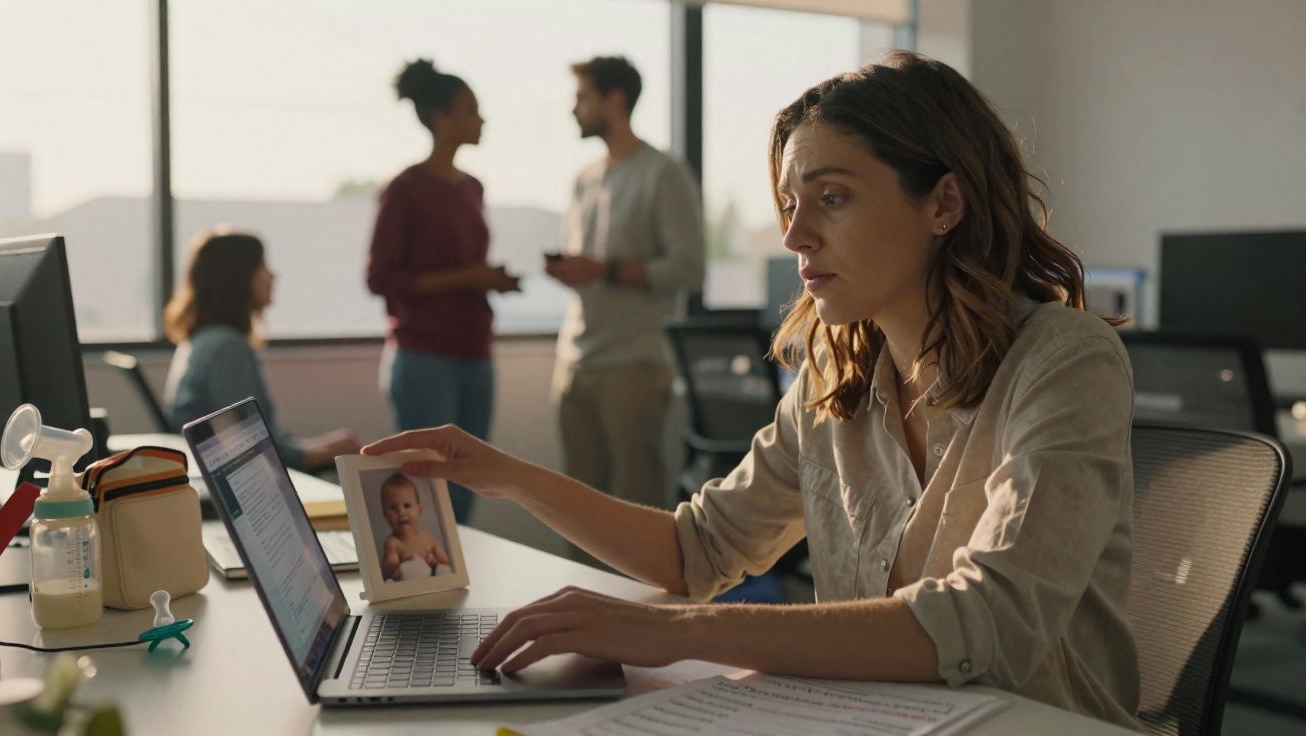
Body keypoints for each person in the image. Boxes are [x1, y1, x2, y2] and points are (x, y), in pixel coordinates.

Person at [362, 52, 1141, 729]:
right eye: (791, 205)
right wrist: (503, 474)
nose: (796, 235)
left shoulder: (1065, 360)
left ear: (943, 203)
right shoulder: (833, 382)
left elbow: (990, 623)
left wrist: (676, 632)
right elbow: (697, 550)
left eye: (831, 197)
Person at [545, 55, 705, 511]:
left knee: (638, 505)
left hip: (634, 365)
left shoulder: (664, 173)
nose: (574, 109)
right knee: (574, 509)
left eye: (582, 98)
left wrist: (602, 269)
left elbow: (688, 269)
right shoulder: (584, 179)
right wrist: (574, 272)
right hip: (575, 361)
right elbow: (590, 267)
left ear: (615, 100)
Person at [367, 59, 520, 524]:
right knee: (430, 495)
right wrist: (467, 278)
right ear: (441, 117)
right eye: (471, 110)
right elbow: (381, 280)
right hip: (424, 360)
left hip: (475, 353)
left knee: (471, 489)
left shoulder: (473, 187)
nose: (481, 120)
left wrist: (487, 280)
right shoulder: (405, 189)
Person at [164, 228, 360, 471]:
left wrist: (318, 446)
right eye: (263, 265)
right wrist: (323, 453)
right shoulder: (226, 348)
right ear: (238, 277)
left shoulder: (204, 340)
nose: (272, 275)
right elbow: (250, 447)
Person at [378, 472, 450, 581]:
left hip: (432, 580)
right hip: (410, 584)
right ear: (385, 515)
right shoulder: (393, 542)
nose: (401, 512)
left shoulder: (427, 536)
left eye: (407, 506)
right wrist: (405, 563)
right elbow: (388, 571)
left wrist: (434, 561)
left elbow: (444, 560)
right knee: (409, 569)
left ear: (419, 510)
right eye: (393, 508)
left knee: (444, 569)